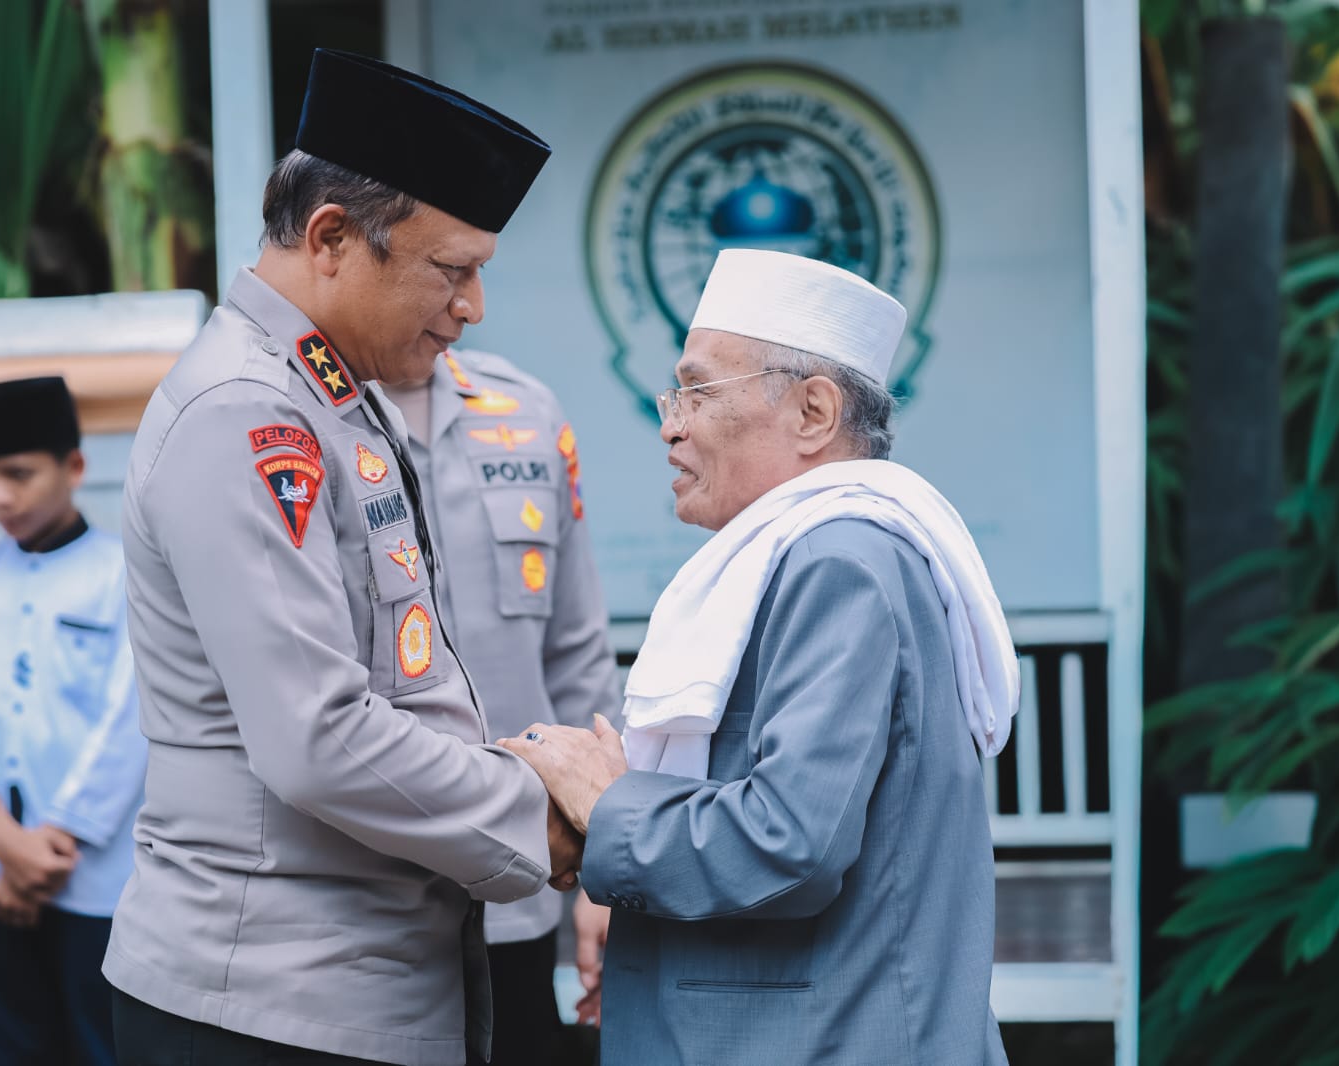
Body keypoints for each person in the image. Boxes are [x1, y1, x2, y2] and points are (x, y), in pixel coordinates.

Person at [104, 49, 579, 1066]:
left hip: (351, 983)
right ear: (331, 238)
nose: (471, 308)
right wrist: (542, 814)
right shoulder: (247, 410)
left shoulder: (326, 389)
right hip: (268, 1004)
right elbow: (315, 734)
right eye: (452, 270)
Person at [503, 249, 1018, 1065]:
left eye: (698, 392)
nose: (669, 423)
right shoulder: (812, 551)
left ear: (814, 412)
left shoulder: (838, 562)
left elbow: (788, 846)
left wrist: (607, 808)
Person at [380, 349, 622, 1064]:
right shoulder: (306, 413)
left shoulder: (525, 411)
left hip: (523, 883)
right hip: (373, 899)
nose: (467, 302)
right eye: (449, 268)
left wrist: (608, 866)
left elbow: (576, 654)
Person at [0, 376, 143, 1066]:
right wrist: (1, 840)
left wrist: (46, 847)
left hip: (96, 873)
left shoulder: (125, 574)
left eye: (18, 474)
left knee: (103, 1045)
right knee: (6, 1049)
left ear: (74, 466)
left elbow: (131, 717)